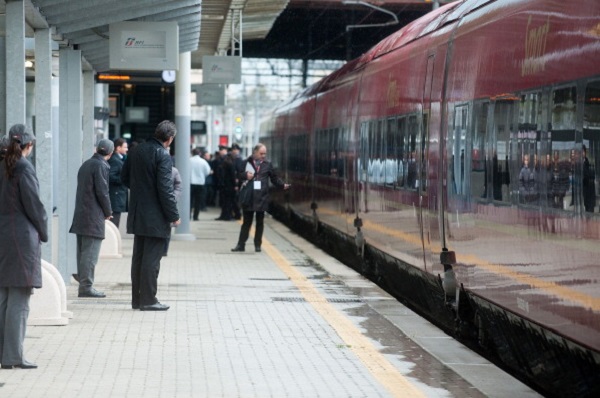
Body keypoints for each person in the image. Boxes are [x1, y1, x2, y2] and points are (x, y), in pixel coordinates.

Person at [0, 124, 48, 370]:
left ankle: (5, 355)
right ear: (28, 145)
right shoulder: (24, 168)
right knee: (19, 300)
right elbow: (34, 205)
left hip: (4, 238)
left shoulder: (4, 165)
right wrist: (44, 230)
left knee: (5, 298)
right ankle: (13, 356)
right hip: (21, 239)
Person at [121, 120, 180, 311]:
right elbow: (165, 189)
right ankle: (148, 300)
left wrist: (142, 191)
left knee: (138, 257)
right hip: (155, 216)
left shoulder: (136, 150)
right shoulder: (162, 155)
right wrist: (173, 215)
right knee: (151, 260)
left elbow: (124, 178)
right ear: (169, 139)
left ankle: (137, 300)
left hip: (138, 212)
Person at [69, 139, 114, 298]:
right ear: (110, 153)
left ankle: (83, 281)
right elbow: (103, 191)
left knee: (82, 252)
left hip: (81, 214)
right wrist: (108, 211)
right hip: (93, 216)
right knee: (90, 254)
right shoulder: (101, 166)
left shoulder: (86, 164)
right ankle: (86, 287)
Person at [231, 143, 290, 253]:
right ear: (255, 152)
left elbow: (274, 178)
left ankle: (257, 245)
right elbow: (238, 175)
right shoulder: (246, 163)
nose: (263, 156)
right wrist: (245, 175)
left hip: (261, 197)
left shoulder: (267, 164)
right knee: (246, 222)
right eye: (261, 153)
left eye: (265, 154)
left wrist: (282, 185)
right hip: (249, 197)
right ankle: (241, 245)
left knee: (260, 222)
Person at [108, 138, 128, 227]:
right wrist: (124, 179)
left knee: (115, 221)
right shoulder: (115, 160)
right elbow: (110, 176)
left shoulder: (118, 159)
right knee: (114, 223)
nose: (127, 149)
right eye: (125, 147)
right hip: (115, 196)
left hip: (117, 195)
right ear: (118, 148)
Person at [163, 160, 182, 256]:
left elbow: (178, 186)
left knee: (167, 227)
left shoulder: (174, 171)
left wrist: (173, 197)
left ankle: (164, 250)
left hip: (169, 202)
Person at [189, 147, 211, 220]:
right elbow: (207, 171)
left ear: (192, 153)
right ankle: (196, 216)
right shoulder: (203, 161)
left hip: (190, 182)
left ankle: (188, 215)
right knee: (198, 201)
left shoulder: (189, 160)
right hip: (200, 183)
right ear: (200, 153)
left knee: (190, 200)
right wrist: (202, 176)